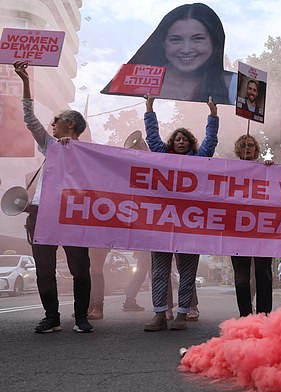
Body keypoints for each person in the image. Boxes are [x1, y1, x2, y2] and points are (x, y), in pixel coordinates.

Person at [13, 60, 94, 333]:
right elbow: (29, 119)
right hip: (41, 214)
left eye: (56, 121)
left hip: (72, 215)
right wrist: (25, 81)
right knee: (44, 268)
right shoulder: (50, 145)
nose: (51, 125)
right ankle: (52, 315)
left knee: (80, 268)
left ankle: (81, 317)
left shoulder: (88, 155)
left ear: (69, 123)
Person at [143, 95, 218, 331]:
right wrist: (149, 107)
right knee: (160, 271)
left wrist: (213, 115)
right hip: (162, 223)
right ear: (171, 143)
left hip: (190, 224)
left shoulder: (199, 159)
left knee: (187, 271)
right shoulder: (161, 157)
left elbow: (210, 142)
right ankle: (159, 314)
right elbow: (152, 138)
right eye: (177, 138)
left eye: (185, 139)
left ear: (190, 143)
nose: (180, 141)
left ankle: (182, 314)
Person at [102, 3, 233, 104]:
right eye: (176, 40)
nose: (186, 49)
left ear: (214, 42)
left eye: (197, 39)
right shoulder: (132, 79)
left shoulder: (236, 85)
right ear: (163, 43)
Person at [230, 134, 274, 316]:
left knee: (263, 275)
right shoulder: (229, 170)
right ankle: (246, 316)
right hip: (237, 232)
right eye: (243, 146)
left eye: (250, 146)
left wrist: (272, 170)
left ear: (256, 150)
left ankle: (264, 316)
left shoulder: (265, 169)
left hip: (262, 231)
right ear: (238, 150)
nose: (247, 149)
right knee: (241, 279)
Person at [87, 248, 109, 319]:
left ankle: (98, 306)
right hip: (86, 241)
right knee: (91, 272)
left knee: (96, 271)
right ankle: (90, 306)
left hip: (99, 241)